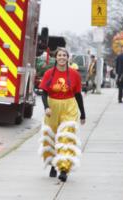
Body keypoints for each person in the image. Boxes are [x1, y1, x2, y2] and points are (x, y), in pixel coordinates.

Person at [38, 48, 86, 182]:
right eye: (59, 55)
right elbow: (43, 92)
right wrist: (46, 107)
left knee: (66, 137)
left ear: (67, 58)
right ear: (56, 57)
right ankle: (54, 164)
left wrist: (83, 113)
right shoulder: (49, 73)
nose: (62, 57)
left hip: (69, 106)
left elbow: (78, 95)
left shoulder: (74, 74)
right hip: (53, 107)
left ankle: (64, 169)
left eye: (64, 55)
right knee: (52, 136)